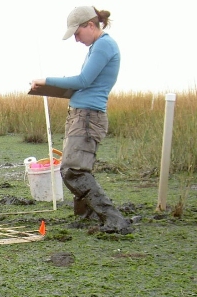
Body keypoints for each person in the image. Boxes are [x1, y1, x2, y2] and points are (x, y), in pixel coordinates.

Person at [30, 6, 132, 234]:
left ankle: (113, 219)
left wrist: (46, 80)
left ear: (90, 25)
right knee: (77, 168)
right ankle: (86, 216)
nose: (76, 39)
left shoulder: (104, 44)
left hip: (88, 117)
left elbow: (84, 80)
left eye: (77, 33)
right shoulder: (97, 46)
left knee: (73, 171)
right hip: (82, 115)